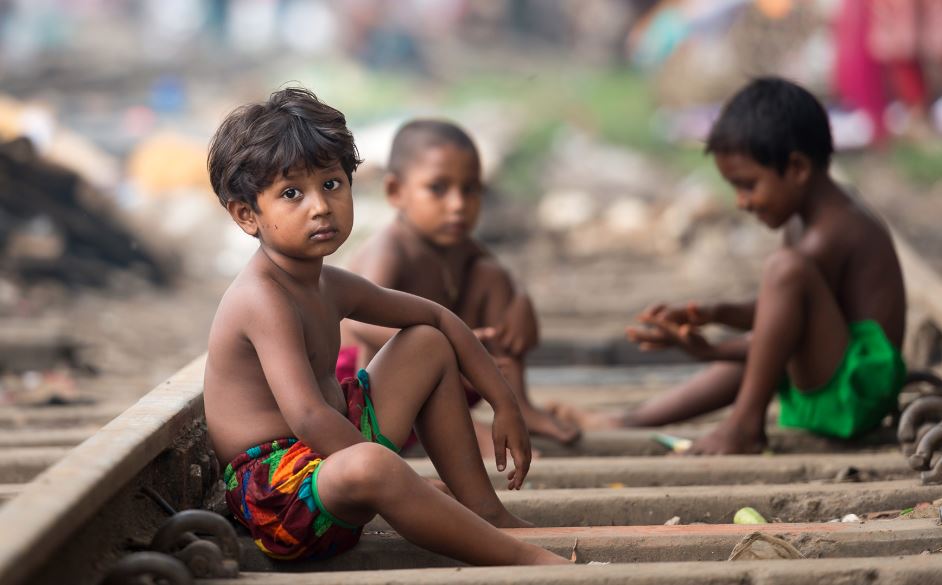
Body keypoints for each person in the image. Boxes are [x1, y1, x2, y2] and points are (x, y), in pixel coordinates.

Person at [202, 87, 568, 565]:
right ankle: (525, 561)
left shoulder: (329, 283)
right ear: (247, 215)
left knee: (427, 344)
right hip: (282, 494)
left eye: (331, 184)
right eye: (291, 194)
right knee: (375, 464)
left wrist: (504, 403)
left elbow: (437, 317)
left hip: (333, 459)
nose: (320, 206)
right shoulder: (262, 297)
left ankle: (487, 512)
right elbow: (309, 416)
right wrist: (400, 481)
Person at [552, 77, 907, 455]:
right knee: (775, 299)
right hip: (837, 378)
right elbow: (781, 320)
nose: (741, 201)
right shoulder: (804, 218)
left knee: (783, 271)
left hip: (856, 395)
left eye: (748, 185)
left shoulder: (834, 230)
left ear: (798, 168)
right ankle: (628, 422)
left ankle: (745, 425)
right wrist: (709, 314)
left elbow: (777, 326)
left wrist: (711, 347)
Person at [339, 119, 580, 456]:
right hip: (370, 387)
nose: (457, 204)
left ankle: (518, 402)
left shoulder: (460, 245)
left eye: (470, 189)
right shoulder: (391, 248)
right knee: (416, 345)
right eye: (438, 188)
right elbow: (357, 322)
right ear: (396, 192)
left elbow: (503, 280)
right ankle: (463, 430)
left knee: (490, 276)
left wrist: (521, 303)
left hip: (447, 376)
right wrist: (451, 344)